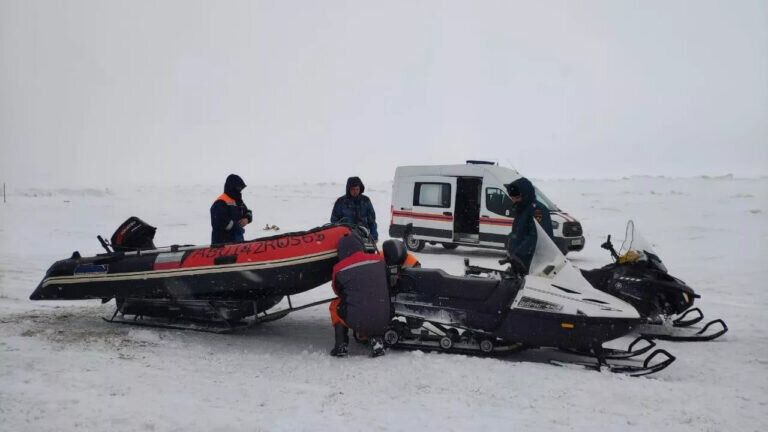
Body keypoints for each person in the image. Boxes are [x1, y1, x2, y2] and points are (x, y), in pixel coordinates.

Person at [329, 234, 390, 358]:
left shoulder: (339, 268)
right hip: (384, 317)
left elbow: (338, 292)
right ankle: (376, 340)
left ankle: (341, 345)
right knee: (375, 301)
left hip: (357, 319)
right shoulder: (379, 260)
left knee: (335, 305)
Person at [505, 177, 539, 274]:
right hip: (519, 262)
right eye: (512, 198)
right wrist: (511, 245)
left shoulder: (536, 211)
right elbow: (519, 231)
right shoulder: (521, 210)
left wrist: (519, 253)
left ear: (526, 195)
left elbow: (535, 236)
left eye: (517, 198)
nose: (514, 201)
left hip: (531, 263)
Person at [330, 177, 378, 242]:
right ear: (348, 189)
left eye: (357, 189)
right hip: (347, 238)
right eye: (353, 189)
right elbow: (334, 221)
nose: (355, 192)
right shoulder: (341, 202)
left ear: (360, 189)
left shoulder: (366, 201)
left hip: (364, 236)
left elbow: (372, 221)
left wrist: (374, 236)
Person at [210, 174, 253, 244]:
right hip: (222, 244)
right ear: (232, 187)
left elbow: (248, 212)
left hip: (238, 241)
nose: (240, 191)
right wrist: (237, 227)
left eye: (241, 189)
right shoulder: (220, 202)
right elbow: (222, 223)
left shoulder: (238, 201)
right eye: (239, 188)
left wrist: (246, 219)